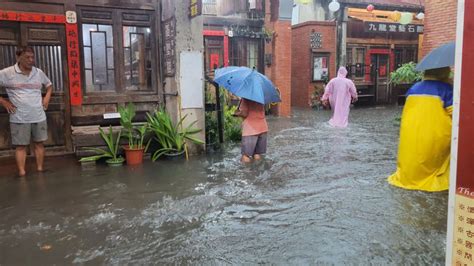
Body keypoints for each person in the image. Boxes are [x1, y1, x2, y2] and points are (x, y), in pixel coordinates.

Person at [388, 67, 453, 192]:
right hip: (435, 136)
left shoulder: (414, 88)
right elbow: (457, 114)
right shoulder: (446, 89)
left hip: (411, 135)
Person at [0, 46, 53, 177]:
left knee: (39, 144)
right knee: (21, 146)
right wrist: (3, 101)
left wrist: (46, 97)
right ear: (18, 58)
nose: (31, 60)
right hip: (19, 117)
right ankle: (22, 173)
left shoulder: (38, 72)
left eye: (32, 57)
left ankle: (40, 170)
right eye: (27, 57)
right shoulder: (7, 73)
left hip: (38, 115)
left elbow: (49, 85)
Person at [233, 98, 268, 163]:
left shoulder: (245, 98)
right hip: (263, 128)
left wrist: (238, 113)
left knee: (245, 156)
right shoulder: (261, 97)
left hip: (250, 129)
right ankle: (258, 171)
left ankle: (247, 172)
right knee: (257, 154)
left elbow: (244, 113)